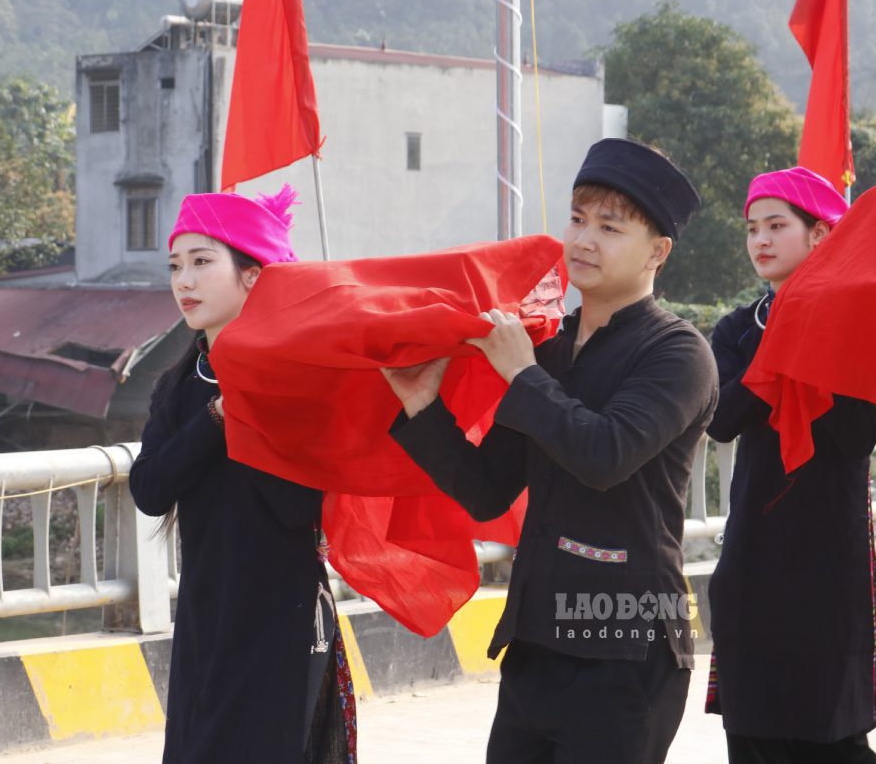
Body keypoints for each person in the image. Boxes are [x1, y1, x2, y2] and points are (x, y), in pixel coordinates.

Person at [383, 138, 718, 764]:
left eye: (610, 227)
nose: (585, 240)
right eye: (577, 219)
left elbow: (604, 454)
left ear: (658, 251)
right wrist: (423, 407)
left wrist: (522, 376)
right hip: (537, 640)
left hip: (628, 644)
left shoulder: (677, 353)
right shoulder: (552, 351)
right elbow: (486, 491)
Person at [705, 166, 876, 762]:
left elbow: (854, 436)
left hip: (828, 563)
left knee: (832, 738)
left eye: (777, 225)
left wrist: (814, 330)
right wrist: (787, 340)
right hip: (751, 557)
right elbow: (720, 418)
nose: (761, 241)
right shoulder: (735, 330)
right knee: (751, 733)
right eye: (752, 228)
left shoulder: (857, 326)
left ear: (821, 235)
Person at [129, 187, 355, 764]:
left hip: (278, 614)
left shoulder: (297, 379)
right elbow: (149, 490)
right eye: (176, 266)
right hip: (206, 615)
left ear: (253, 276)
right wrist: (216, 418)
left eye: (204, 262)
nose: (185, 281)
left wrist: (253, 408)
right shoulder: (178, 387)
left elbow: (298, 506)